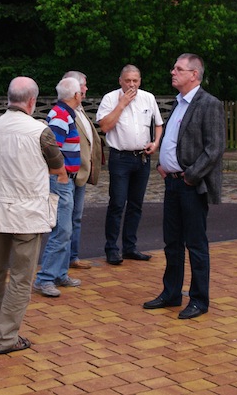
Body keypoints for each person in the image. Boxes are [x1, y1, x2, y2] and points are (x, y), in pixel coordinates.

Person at [0, 76, 65, 354]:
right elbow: (57, 167)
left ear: (9, 98)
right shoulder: (40, 131)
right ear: (32, 101)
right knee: (21, 277)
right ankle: (6, 338)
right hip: (27, 214)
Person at [144, 53, 225, 320]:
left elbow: (214, 149)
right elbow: (171, 139)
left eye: (179, 69)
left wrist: (191, 176)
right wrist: (161, 165)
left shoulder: (209, 104)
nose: (173, 72)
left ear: (194, 74)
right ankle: (172, 293)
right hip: (173, 183)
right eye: (174, 67)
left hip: (191, 185)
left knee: (196, 244)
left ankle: (199, 299)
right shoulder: (178, 104)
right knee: (172, 243)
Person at [96, 64, 163, 265]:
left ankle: (130, 247)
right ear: (120, 81)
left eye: (135, 80)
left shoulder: (148, 98)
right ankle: (111, 248)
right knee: (117, 203)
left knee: (136, 205)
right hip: (120, 158)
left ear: (140, 81)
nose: (132, 84)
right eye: (128, 81)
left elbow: (158, 124)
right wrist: (122, 104)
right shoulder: (110, 98)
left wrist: (156, 142)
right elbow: (105, 126)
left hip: (142, 157)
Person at [33, 77, 84, 297]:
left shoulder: (63, 114)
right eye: (81, 90)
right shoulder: (61, 116)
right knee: (62, 229)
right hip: (62, 179)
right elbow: (53, 149)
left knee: (66, 228)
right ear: (75, 95)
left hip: (66, 179)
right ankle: (45, 278)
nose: (83, 93)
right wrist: (62, 174)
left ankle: (59, 273)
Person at [63, 71, 103, 270]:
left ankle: (73, 256)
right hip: (68, 174)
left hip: (80, 173)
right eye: (83, 85)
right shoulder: (64, 112)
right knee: (66, 219)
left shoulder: (79, 110)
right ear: (74, 88)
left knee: (76, 217)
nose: (86, 89)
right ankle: (64, 261)